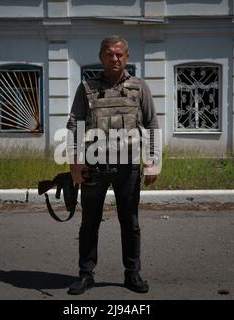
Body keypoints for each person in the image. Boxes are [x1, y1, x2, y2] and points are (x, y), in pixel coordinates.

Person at [66, 35, 160, 295]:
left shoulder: (140, 88)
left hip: (128, 166)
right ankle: (86, 274)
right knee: (89, 223)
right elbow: (75, 125)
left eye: (119, 54)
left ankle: (132, 274)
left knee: (130, 222)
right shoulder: (86, 88)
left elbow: (151, 124)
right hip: (94, 166)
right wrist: (75, 162)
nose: (115, 58)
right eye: (109, 54)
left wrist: (152, 161)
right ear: (101, 57)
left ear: (127, 57)